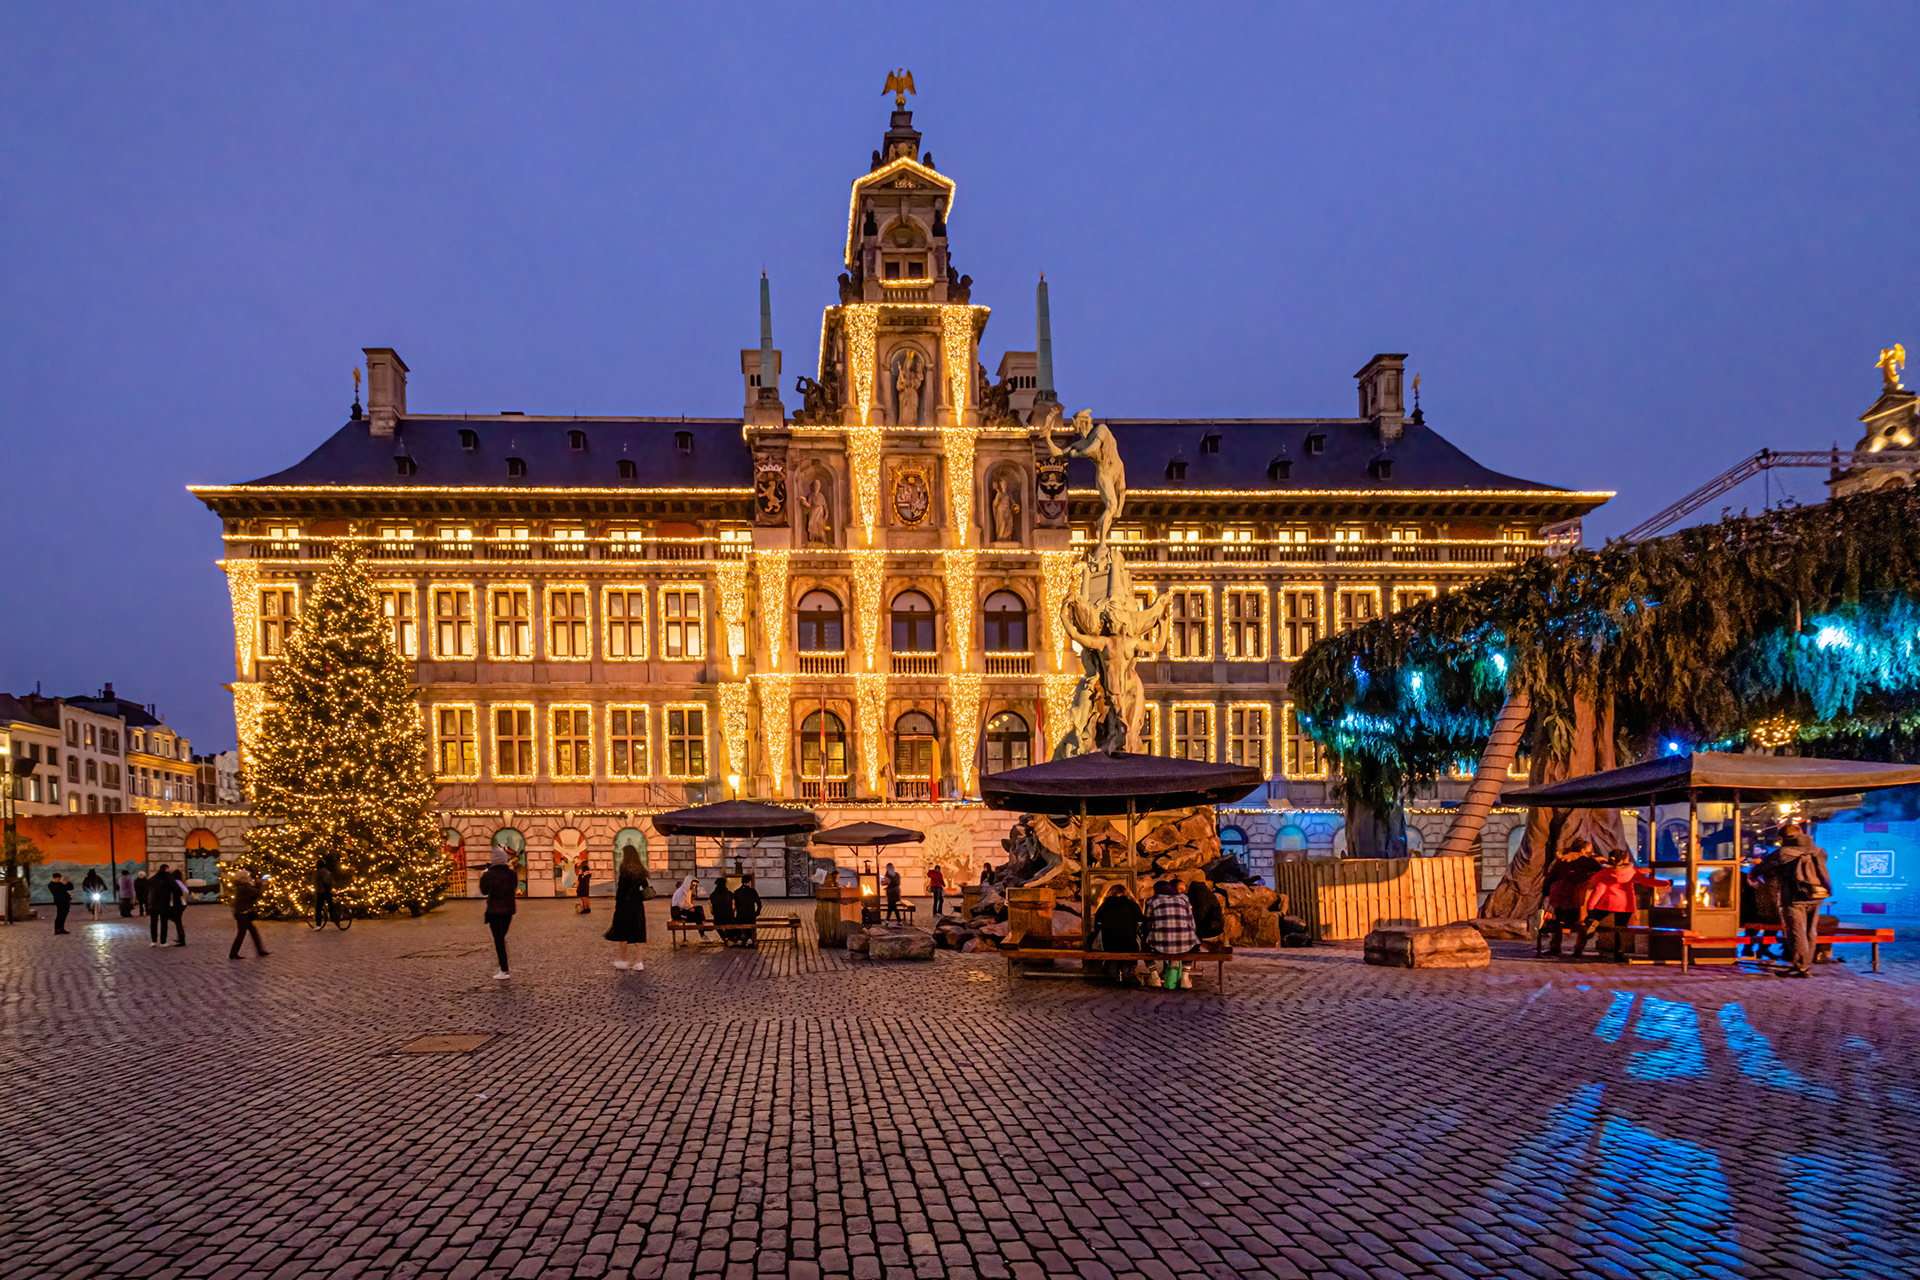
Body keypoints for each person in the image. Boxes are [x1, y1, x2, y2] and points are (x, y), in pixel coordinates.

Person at [1755, 819, 1832, 979]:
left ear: (1784, 838)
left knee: (1796, 932)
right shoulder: (1819, 850)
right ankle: (1806, 966)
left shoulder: (1784, 852)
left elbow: (1761, 868)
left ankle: (1801, 967)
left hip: (1793, 897)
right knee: (1810, 931)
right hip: (1816, 895)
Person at [1576, 851, 1666, 963]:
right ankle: (1619, 954)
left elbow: (1599, 889)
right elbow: (1647, 882)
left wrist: (1590, 906)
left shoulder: (1605, 872)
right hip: (1624, 905)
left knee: (1595, 917)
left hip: (1607, 903)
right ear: (1624, 860)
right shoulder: (1631, 872)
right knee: (1620, 929)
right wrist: (1666, 883)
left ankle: (1592, 923)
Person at [1540, 840, 1604, 956]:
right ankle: (1578, 949)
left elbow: (1551, 876)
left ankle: (1555, 946)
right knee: (1581, 923)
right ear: (1583, 850)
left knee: (1557, 921)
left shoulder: (1562, 860)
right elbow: (1602, 874)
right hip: (1579, 896)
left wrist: (1545, 891)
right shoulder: (1589, 862)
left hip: (1560, 896)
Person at [1143, 879, 1199, 990]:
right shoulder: (1184, 899)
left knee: (1143, 945)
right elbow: (1192, 923)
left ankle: (1154, 977)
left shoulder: (1151, 901)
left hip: (1160, 945)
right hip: (1185, 944)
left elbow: (1147, 926)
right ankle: (1185, 978)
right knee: (1193, 944)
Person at [604, 847, 648, 970]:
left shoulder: (625, 870)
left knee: (622, 932)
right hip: (637, 905)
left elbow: (621, 890)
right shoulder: (640, 870)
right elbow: (645, 886)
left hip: (624, 905)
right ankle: (639, 962)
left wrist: (617, 905)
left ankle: (623, 959)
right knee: (638, 931)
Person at [1092, 883, 1145, 985]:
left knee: (1114, 941)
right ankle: (1128, 970)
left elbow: (1097, 925)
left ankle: (1110, 967)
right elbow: (1140, 923)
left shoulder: (1104, 906)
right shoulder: (1133, 905)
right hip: (1129, 944)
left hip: (1108, 944)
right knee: (1128, 941)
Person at [479, 847, 518, 980]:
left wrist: (486, 873)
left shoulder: (488, 874)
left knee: (499, 940)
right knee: (501, 937)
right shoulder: (512, 874)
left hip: (494, 911)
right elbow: (514, 886)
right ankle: (504, 968)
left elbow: (484, 891)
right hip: (508, 911)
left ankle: (504, 970)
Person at [1181, 874, 1225, 968]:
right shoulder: (1204, 893)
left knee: (1188, 938)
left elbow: (1199, 916)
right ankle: (1185, 969)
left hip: (1210, 928)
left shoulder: (1200, 895)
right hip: (1213, 926)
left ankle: (1185, 968)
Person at [228, 868, 270, 959]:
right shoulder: (245, 887)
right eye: (248, 876)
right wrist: (262, 884)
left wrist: (258, 884)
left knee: (252, 932)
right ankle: (233, 953)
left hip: (242, 913)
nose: (249, 878)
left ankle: (260, 950)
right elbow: (257, 893)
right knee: (242, 934)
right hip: (243, 913)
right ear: (244, 878)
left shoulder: (242, 886)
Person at [147, 865, 183, 946]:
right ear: (166, 869)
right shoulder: (168, 878)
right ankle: (163, 941)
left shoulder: (152, 879)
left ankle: (153, 940)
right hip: (163, 903)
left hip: (152, 903)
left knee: (153, 922)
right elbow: (177, 890)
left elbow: (146, 891)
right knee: (163, 922)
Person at [671, 874, 709, 938]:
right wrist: (690, 906)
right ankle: (702, 933)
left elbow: (686, 903)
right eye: (693, 883)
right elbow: (681, 904)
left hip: (684, 910)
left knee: (699, 908)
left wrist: (690, 907)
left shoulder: (688, 891)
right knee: (697, 916)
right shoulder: (682, 891)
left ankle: (702, 922)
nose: (694, 885)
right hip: (678, 912)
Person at [734, 873, 763, 947]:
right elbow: (759, 903)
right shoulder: (752, 891)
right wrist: (757, 912)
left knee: (738, 923)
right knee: (750, 925)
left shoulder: (736, 892)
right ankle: (749, 939)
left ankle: (740, 939)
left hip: (740, 915)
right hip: (750, 915)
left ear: (741, 882)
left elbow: (735, 905)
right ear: (749, 882)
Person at [710, 875, 739, 946]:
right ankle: (730, 939)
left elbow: (711, 910)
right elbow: (734, 906)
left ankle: (725, 938)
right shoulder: (730, 894)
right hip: (729, 918)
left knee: (716, 924)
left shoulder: (713, 895)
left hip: (718, 919)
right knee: (734, 922)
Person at [313, 860, 337, 929]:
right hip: (328, 890)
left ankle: (318, 924)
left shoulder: (319, 872)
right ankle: (333, 917)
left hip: (321, 891)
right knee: (330, 904)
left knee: (318, 908)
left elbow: (318, 882)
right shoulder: (327, 871)